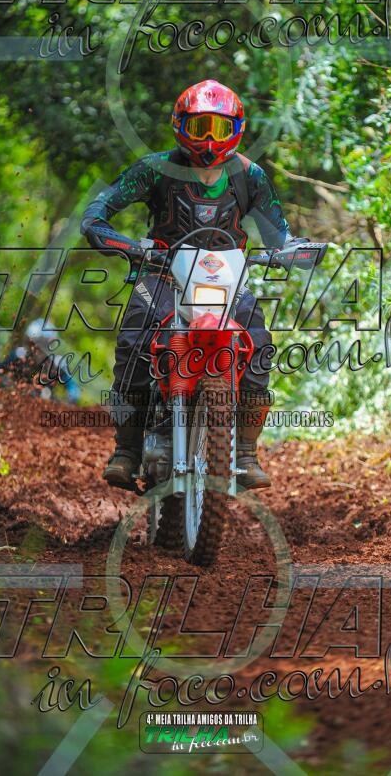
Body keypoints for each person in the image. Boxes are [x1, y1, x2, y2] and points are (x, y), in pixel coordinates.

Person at [81, 79, 309, 491]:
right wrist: (111, 235)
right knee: (133, 339)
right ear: (180, 125)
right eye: (200, 126)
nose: (209, 139)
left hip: (228, 275)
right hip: (161, 269)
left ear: (236, 130)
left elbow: (279, 233)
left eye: (219, 128)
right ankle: (127, 449)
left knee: (258, 344)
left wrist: (292, 250)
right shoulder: (155, 168)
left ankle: (245, 452)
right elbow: (102, 207)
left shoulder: (249, 175)